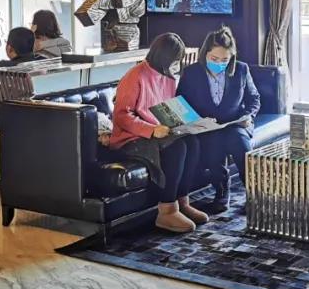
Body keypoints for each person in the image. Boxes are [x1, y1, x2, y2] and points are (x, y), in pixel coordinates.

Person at [109, 33, 207, 234]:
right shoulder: (134, 76)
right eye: (175, 60)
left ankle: (182, 202)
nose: (176, 65)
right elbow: (121, 116)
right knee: (177, 148)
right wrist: (151, 130)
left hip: (162, 133)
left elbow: (167, 109)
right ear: (164, 57)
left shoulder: (168, 77)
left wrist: (188, 123)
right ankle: (167, 210)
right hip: (131, 138)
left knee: (193, 142)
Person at [176, 25, 260, 214]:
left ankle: (255, 195)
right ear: (205, 53)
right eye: (214, 59)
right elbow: (181, 102)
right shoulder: (191, 73)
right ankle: (222, 192)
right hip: (206, 126)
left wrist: (249, 116)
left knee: (240, 143)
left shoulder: (241, 70)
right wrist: (194, 122)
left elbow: (254, 99)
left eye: (224, 60)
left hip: (235, 123)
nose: (219, 63)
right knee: (213, 145)